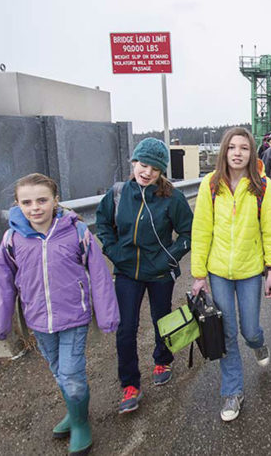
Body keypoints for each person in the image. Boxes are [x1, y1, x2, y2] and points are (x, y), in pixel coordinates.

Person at [0, 173, 120, 455]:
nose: (35, 207)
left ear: (55, 201)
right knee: (59, 372)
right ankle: (73, 414)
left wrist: (108, 315)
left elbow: (98, 275)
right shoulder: (13, 238)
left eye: (42, 200)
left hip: (74, 317)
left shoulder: (76, 232)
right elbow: (3, 282)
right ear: (18, 204)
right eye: (27, 202)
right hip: (38, 320)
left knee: (71, 375)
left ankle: (81, 423)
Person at [191, 127, 271, 422]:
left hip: (249, 269)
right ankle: (233, 392)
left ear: (251, 152)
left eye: (244, 147)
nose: (237, 153)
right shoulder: (211, 184)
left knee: (250, 329)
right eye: (232, 147)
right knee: (227, 332)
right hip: (218, 270)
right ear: (224, 151)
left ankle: (259, 344)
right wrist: (198, 274)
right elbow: (202, 230)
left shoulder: (263, 187)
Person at [96, 138, 193, 414]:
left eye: (154, 168)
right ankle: (130, 384)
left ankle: (162, 360)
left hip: (160, 272)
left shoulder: (172, 198)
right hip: (127, 271)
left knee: (161, 319)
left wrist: (169, 258)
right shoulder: (118, 193)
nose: (147, 172)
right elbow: (103, 223)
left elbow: (188, 233)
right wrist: (113, 251)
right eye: (143, 164)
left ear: (161, 171)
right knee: (126, 328)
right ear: (134, 163)